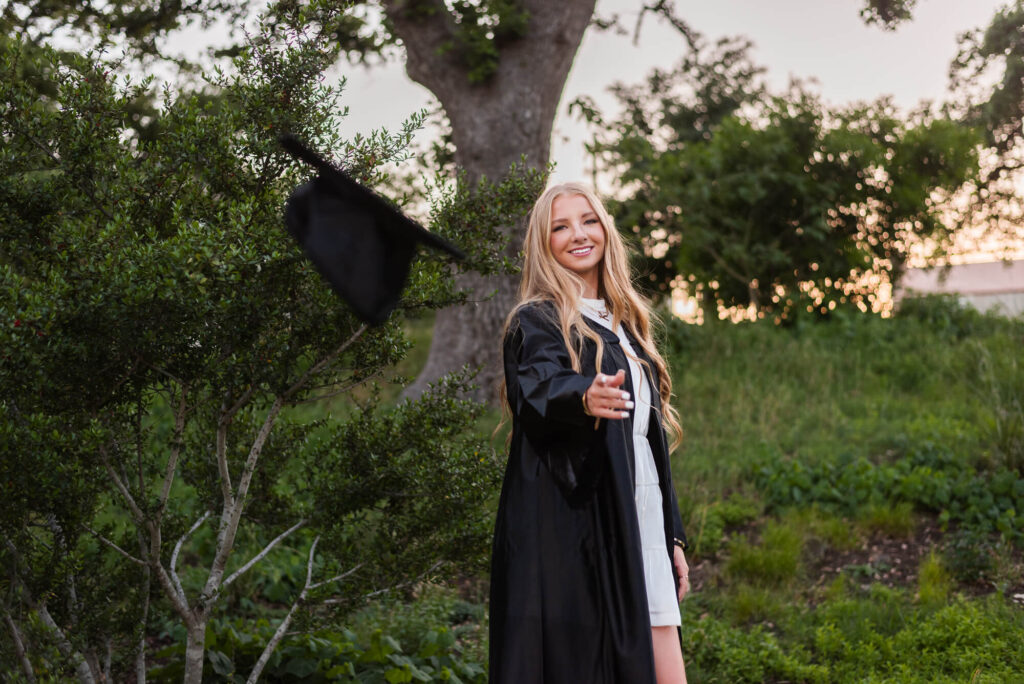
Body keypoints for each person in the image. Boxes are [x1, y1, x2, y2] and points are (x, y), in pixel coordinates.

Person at [489, 182, 690, 683]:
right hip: (586, 532)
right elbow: (538, 388)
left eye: (588, 221)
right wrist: (582, 396)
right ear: (543, 242)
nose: (577, 234)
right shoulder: (537, 322)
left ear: (606, 230)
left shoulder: (627, 325)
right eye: (560, 226)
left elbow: (648, 444)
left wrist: (672, 536)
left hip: (641, 521)